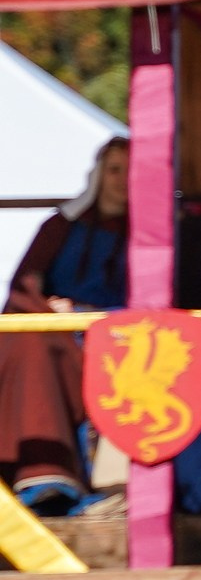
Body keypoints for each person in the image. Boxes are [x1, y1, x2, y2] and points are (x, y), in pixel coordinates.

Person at [0, 137, 129, 511]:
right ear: (100, 174)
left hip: (116, 336)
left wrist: (93, 315)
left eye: (130, 171)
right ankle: (40, 473)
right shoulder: (61, 226)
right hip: (55, 330)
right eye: (114, 170)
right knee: (28, 343)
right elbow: (25, 285)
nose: (121, 179)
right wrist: (52, 309)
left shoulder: (151, 236)